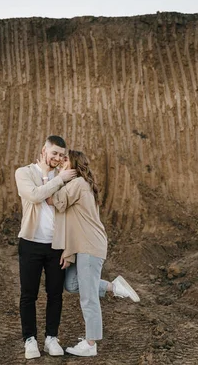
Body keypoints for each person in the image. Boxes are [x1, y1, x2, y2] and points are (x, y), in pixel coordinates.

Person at [48, 150, 140, 357]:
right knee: (72, 284)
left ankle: (90, 344)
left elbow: (52, 200)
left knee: (88, 297)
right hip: (83, 245)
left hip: (89, 246)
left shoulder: (78, 184)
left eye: (65, 160)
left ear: (74, 166)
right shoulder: (79, 185)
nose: (61, 162)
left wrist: (52, 177)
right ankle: (113, 286)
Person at [14, 136, 77, 360]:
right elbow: (35, 195)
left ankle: (51, 337)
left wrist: (69, 249)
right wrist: (59, 179)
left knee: (55, 294)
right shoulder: (24, 173)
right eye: (55, 153)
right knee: (28, 294)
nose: (58, 158)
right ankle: (29, 340)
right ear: (44, 150)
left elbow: (71, 214)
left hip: (57, 246)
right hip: (30, 243)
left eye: (62, 155)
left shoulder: (67, 176)